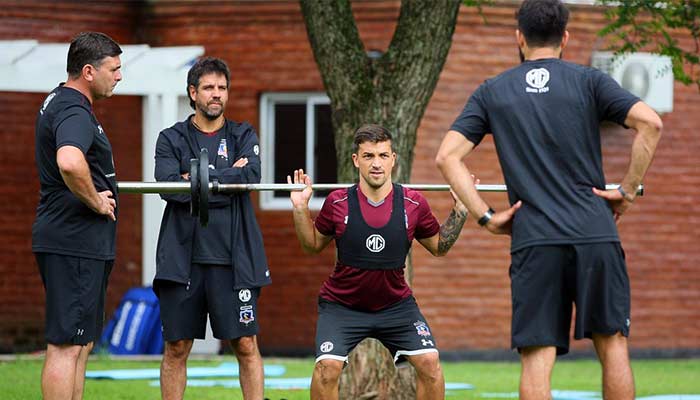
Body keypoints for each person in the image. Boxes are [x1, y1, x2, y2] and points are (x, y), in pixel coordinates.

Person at [435, 1, 663, 399]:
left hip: (535, 238)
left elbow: (446, 156)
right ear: (566, 39)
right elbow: (651, 123)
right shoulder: (590, 81)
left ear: (519, 37)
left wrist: (487, 217)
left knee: (537, 356)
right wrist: (626, 191)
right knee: (612, 346)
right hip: (595, 233)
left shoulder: (493, 91)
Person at [288, 124, 469, 400]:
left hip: (396, 306)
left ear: (393, 159)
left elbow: (439, 247)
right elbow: (311, 245)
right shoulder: (338, 202)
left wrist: (461, 210)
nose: (376, 164)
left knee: (430, 364)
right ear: (356, 160)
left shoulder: (413, 203)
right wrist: (300, 209)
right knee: (327, 369)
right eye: (369, 156)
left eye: (383, 156)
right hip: (342, 306)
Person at [154, 57, 270, 400]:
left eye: (222, 88)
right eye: (208, 88)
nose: (216, 94)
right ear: (193, 92)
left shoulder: (242, 133)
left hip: (234, 261)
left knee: (246, 344)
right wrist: (225, 179)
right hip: (182, 260)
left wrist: (200, 180)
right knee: (176, 346)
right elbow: (168, 188)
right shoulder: (170, 138)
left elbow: (251, 177)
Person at [32, 32, 122, 400]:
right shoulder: (73, 108)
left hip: (73, 241)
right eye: (113, 69)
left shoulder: (59, 100)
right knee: (67, 345)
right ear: (88, 71)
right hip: (74, 241)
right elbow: (69, 161)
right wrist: (97, 202)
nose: (118, 77)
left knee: (79, 344)